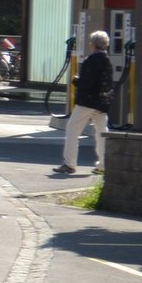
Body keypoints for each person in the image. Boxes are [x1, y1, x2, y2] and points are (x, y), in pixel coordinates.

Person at [55, 31, 112, 175]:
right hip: (102, 103)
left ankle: (70, 164)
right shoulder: (107, 61)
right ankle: (103, 166)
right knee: (102, 134)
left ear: (92, 44)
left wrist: (76, 80)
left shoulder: (91, 61)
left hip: (87, 102)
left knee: (72, 130)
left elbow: (86, 83)